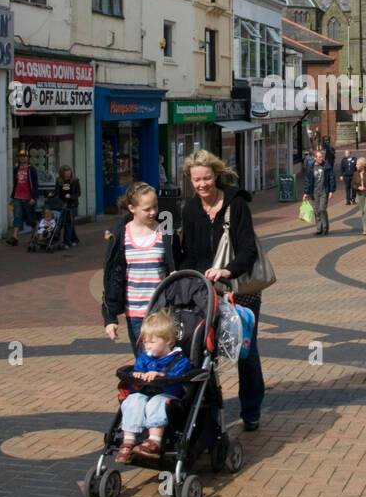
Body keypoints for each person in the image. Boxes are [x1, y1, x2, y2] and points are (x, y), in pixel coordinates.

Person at [179, 149, 265, 431]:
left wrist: (228, 270)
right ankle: (210, 410)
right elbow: (190, 253)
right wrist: (186, 278)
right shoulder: (190, 209)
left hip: (240, 291)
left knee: (244, 350)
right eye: (196, 180)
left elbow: (248, 250)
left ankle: (251, 410)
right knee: (206, 351)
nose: (202, 185)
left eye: (206, 178)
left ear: (216, 175)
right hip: (207, 291)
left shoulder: (236, 204)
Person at [102, 181, 181, 354]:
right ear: (132, 208)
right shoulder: (120, 235)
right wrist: (110, 317)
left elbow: (177, 266)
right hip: (135, 314)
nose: (153, 212)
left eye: (155, 207)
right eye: (147, 209)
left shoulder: (165, 233)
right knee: (143, 364)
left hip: (162, 312)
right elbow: (112, 277)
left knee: (165, 364)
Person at [115, 310, 191, 464]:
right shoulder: (144, 358)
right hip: (146, 393)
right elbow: (138, 370)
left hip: (167, 394)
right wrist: (138, 376)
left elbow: (180, 375)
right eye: (145, 341)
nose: (147, 345)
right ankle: (128, 441)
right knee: (132, 400)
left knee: (156, 403)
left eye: (152, 342)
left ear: (168, 341)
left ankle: (154, 441)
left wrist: (161, 375)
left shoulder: (179, 359)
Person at [6, 148, 39, 245]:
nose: (22, 158)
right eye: (21, 156)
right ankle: (14, 237)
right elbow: (15, 183)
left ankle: (34, 233)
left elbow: (35, 184)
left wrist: (33, 197)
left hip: (28, 197)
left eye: (24, 156)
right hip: (18, 197)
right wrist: (12, 197)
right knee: (17, 216)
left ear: (27, 158)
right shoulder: (16, 169)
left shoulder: (31, 169)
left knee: (30, 218)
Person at [305, 146, 336, 235]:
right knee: (316, 211)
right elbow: (307, 180)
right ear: (315, 158)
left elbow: (331, 178)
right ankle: (319, 228)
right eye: (319, 157)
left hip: (324, 191)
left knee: (322, 209)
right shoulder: (310, 167)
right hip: (314, 192)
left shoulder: (326, 166)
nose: (321, 158)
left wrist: (331, 191)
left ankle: (325, 228)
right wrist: (306, 192)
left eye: (322, 156)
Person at [53, 164, 81, 248]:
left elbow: (78, 193)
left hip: (72, 205)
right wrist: (52, 195)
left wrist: (71, 196)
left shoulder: (75, 181)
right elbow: (57, 192)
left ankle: (67, 241)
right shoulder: (59, 181)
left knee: (69, 223)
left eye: (69, 171)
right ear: (62, 173)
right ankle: (74, 239)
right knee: (66, 223)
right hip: (62, 205)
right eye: (65, 172)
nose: (68, 173)